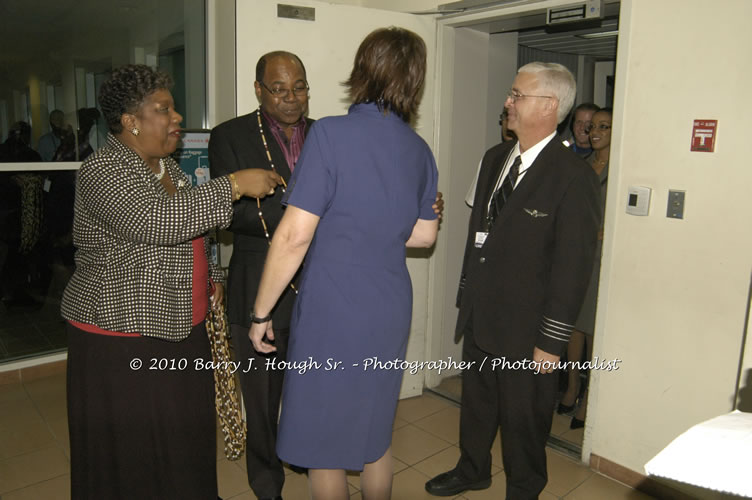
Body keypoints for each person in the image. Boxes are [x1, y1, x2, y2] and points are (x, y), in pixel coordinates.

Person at [60, 63, 283, 499]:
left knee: (184, 434)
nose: (177, 117)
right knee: (139, 446)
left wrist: (210, 281)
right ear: (130, 122)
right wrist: (233, 184)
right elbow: (158, 222)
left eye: (174, 107)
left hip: (181, 324)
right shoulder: (103, 170)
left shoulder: (168, 170)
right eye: (164, 109)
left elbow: (191, 237)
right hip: (123, 334)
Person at [248, 27, 439, 500]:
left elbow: (293, 236)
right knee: (373, 432)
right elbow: (422, 235)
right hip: (389, 305)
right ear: (414, 81)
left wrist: (260, 313)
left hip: (335, 308)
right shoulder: (419, 150)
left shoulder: (330, 133)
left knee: (324, 441)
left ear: (362, 71)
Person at [426, 62, 601, 499]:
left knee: (524, 421)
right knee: (477, 406)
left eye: (516, 95)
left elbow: (573, 266)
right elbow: (477, 235)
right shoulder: (494, 159)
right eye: (512, 93)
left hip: (530, 331)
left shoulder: (572, 176)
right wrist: (467, 298)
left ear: (549, 105)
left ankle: (524, 488)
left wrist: (552, 342)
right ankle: (472, 469)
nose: (507, 102)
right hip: (483, 316)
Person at [209, 50, 313, 500]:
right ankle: (266, 478)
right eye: (280, 89)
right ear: (258, 89)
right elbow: (232, 213)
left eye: (300, 87)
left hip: (320, 281)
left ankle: (303, 450)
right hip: (259, 280)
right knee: (262, 392)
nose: (292, 99)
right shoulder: (229, 136)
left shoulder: (327, 134)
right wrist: (308, 215)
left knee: (311, 379)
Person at [558, 108, 612, 429]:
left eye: (604, 127)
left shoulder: (621, 169)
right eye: (592, 127)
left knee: (592, 326)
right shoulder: (581, 164)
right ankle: (571, 386)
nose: (595, 132)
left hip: (600, 256)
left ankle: (590, 397)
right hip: (575, 252)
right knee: (573, 323)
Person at [465, 108, 517, 207]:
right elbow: (477, 211)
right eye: (505, 116)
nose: (507, 122)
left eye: (510, 115)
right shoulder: (492, 158)